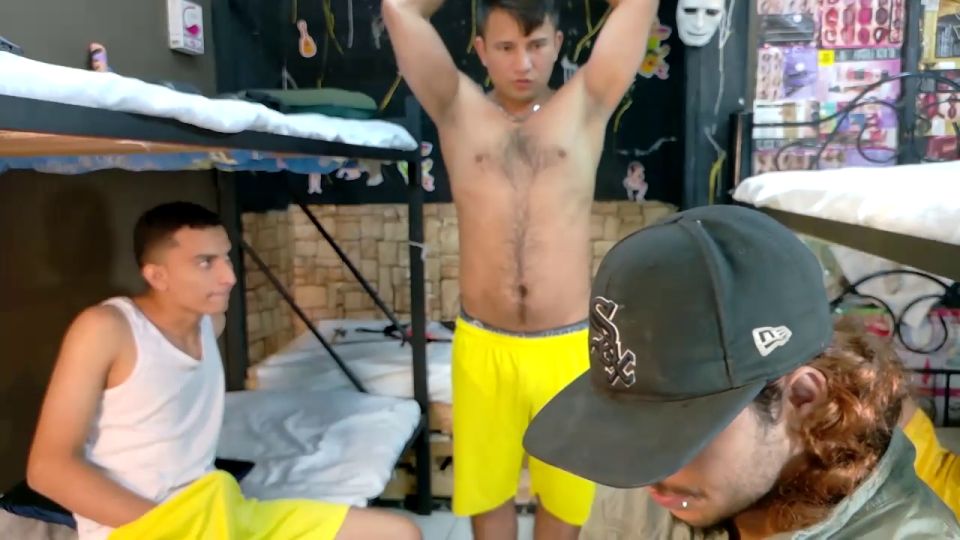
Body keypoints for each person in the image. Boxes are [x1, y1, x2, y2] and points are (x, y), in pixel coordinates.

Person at [382, 0, 659, 536]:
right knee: (488, 495)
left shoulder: (587, 102)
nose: (523, 63)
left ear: (558, 45)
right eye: (506, 47)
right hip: (484, 346)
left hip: (567, 348)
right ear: (481, 50)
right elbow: (401, 9)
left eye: (536, 46)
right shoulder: (455, 106)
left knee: (565, 499)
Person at [523, 204, 960, 539]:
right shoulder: (660, 479)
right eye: (628, 426)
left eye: (679, 432)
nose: (643, 470)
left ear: (803, 398)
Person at [26, 201, 420, 540]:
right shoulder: (107, 329)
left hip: (218, 509)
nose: (228, 276)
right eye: (205, 263)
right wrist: (175, 528)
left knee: (398, 533)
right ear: (157, 275)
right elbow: (48, 469)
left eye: (226, 257)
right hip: (146, 526)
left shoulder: (209, 322)